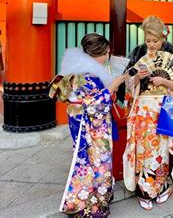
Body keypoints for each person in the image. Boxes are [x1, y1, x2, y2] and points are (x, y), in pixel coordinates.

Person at [49, 33, 127, 216]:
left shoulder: (83, 68)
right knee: (92, 160)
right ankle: (86, 204)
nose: (108, 56)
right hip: (89, 123)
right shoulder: (85, 74)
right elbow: (95, 103)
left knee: (94, 159)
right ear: (100, 53)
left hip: (85, 120)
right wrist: (113, 86)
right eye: (107, 52)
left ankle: (101, 196)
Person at [123, 15, 173, 210]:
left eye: (155, 41)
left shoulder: (172, 57)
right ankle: (143, 191)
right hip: (143, 113)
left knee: (162, 151)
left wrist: (165, 82)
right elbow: (129, 87)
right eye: (148, 41)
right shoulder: (138, 56)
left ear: (163, 40)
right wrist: (136, 78)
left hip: (164, 110)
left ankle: (162, 187)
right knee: (143, 152)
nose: (151, 45)